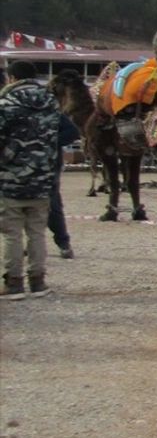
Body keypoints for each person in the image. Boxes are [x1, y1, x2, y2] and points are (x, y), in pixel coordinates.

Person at [0, 61, 62, 299]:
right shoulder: (51, 103)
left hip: (11, 178)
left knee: (11, 233)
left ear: (12, 77)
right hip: (43, 178)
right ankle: (38, 282)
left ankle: (13, 283)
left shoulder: (6, 104)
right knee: (37, 232)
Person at [47, 111, 80, 259]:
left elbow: (72, 132)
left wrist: (48, 142)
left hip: (47, 166)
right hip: (19, 168)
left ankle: (63, 243)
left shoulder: (46, 107)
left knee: (52, 206)